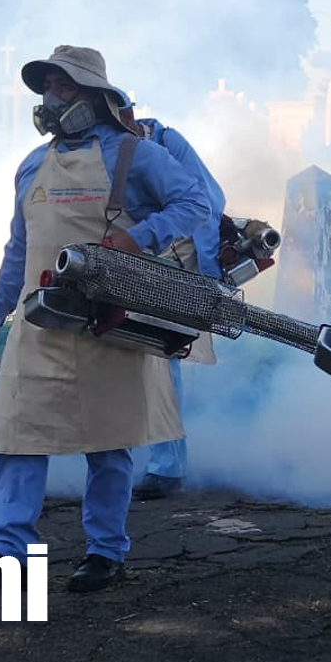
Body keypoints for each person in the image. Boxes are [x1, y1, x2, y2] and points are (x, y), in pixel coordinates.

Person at [0, 45, 210, 593]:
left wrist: (139, 237)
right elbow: (19, 249)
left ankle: (105, 552)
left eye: (62, 86)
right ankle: (8, 551)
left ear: (94, 96)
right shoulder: (31, 165)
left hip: (108, 321)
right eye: (47, 87)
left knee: (108, 442)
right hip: (38, 320)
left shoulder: (134, 154)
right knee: (16, 436)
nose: (51, 97)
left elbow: (195, 203)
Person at [115, 108, 227, 502]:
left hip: (174, 257)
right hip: (129, 256)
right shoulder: (103, 148)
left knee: (161, 356)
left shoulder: (164, 141)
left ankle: (168, 467)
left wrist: (209, 275)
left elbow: (206, 203)